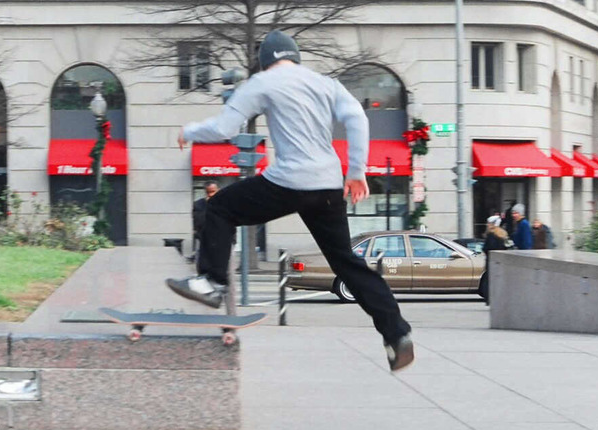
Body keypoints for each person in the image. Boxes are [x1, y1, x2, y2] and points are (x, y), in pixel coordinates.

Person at [166, 29, 414, 371]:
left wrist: (189, 131)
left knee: (220, 207)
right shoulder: (325, 83)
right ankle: (396, 333)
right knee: (346, 261)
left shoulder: (262, 82)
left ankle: (211, 282)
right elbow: (357, 116)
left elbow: (224, 128)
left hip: (287, 183)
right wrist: (356, 171)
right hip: (327, 186)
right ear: (295, 56)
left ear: (264, 62)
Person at [480, 215, 510, 306]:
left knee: (488, 281)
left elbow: (487, 248)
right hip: (500, 261)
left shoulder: (491, 235)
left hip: (491, 260)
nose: (487, 225)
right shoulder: (503, 234)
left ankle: (489, 299)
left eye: (489, 223)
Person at [191, 182, 220, 261]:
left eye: (213, 191)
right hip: (203, 238)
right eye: (208, 192)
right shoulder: (198, 204)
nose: (210, 195)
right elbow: (198, 221)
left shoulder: (224, 203)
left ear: (218, 190)